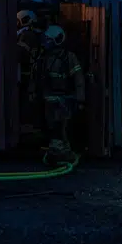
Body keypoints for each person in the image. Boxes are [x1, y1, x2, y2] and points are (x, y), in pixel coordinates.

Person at [37, 24, 84, 164]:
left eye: (49, 40)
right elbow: (39, 77)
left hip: (65, 98)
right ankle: (56, 152)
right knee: (51, 126)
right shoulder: (44, 58)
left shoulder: (69, 58)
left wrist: (80, 99)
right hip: (50, 98)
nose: (46, 43)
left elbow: (78, 78)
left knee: (63, 127)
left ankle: (63, 152)